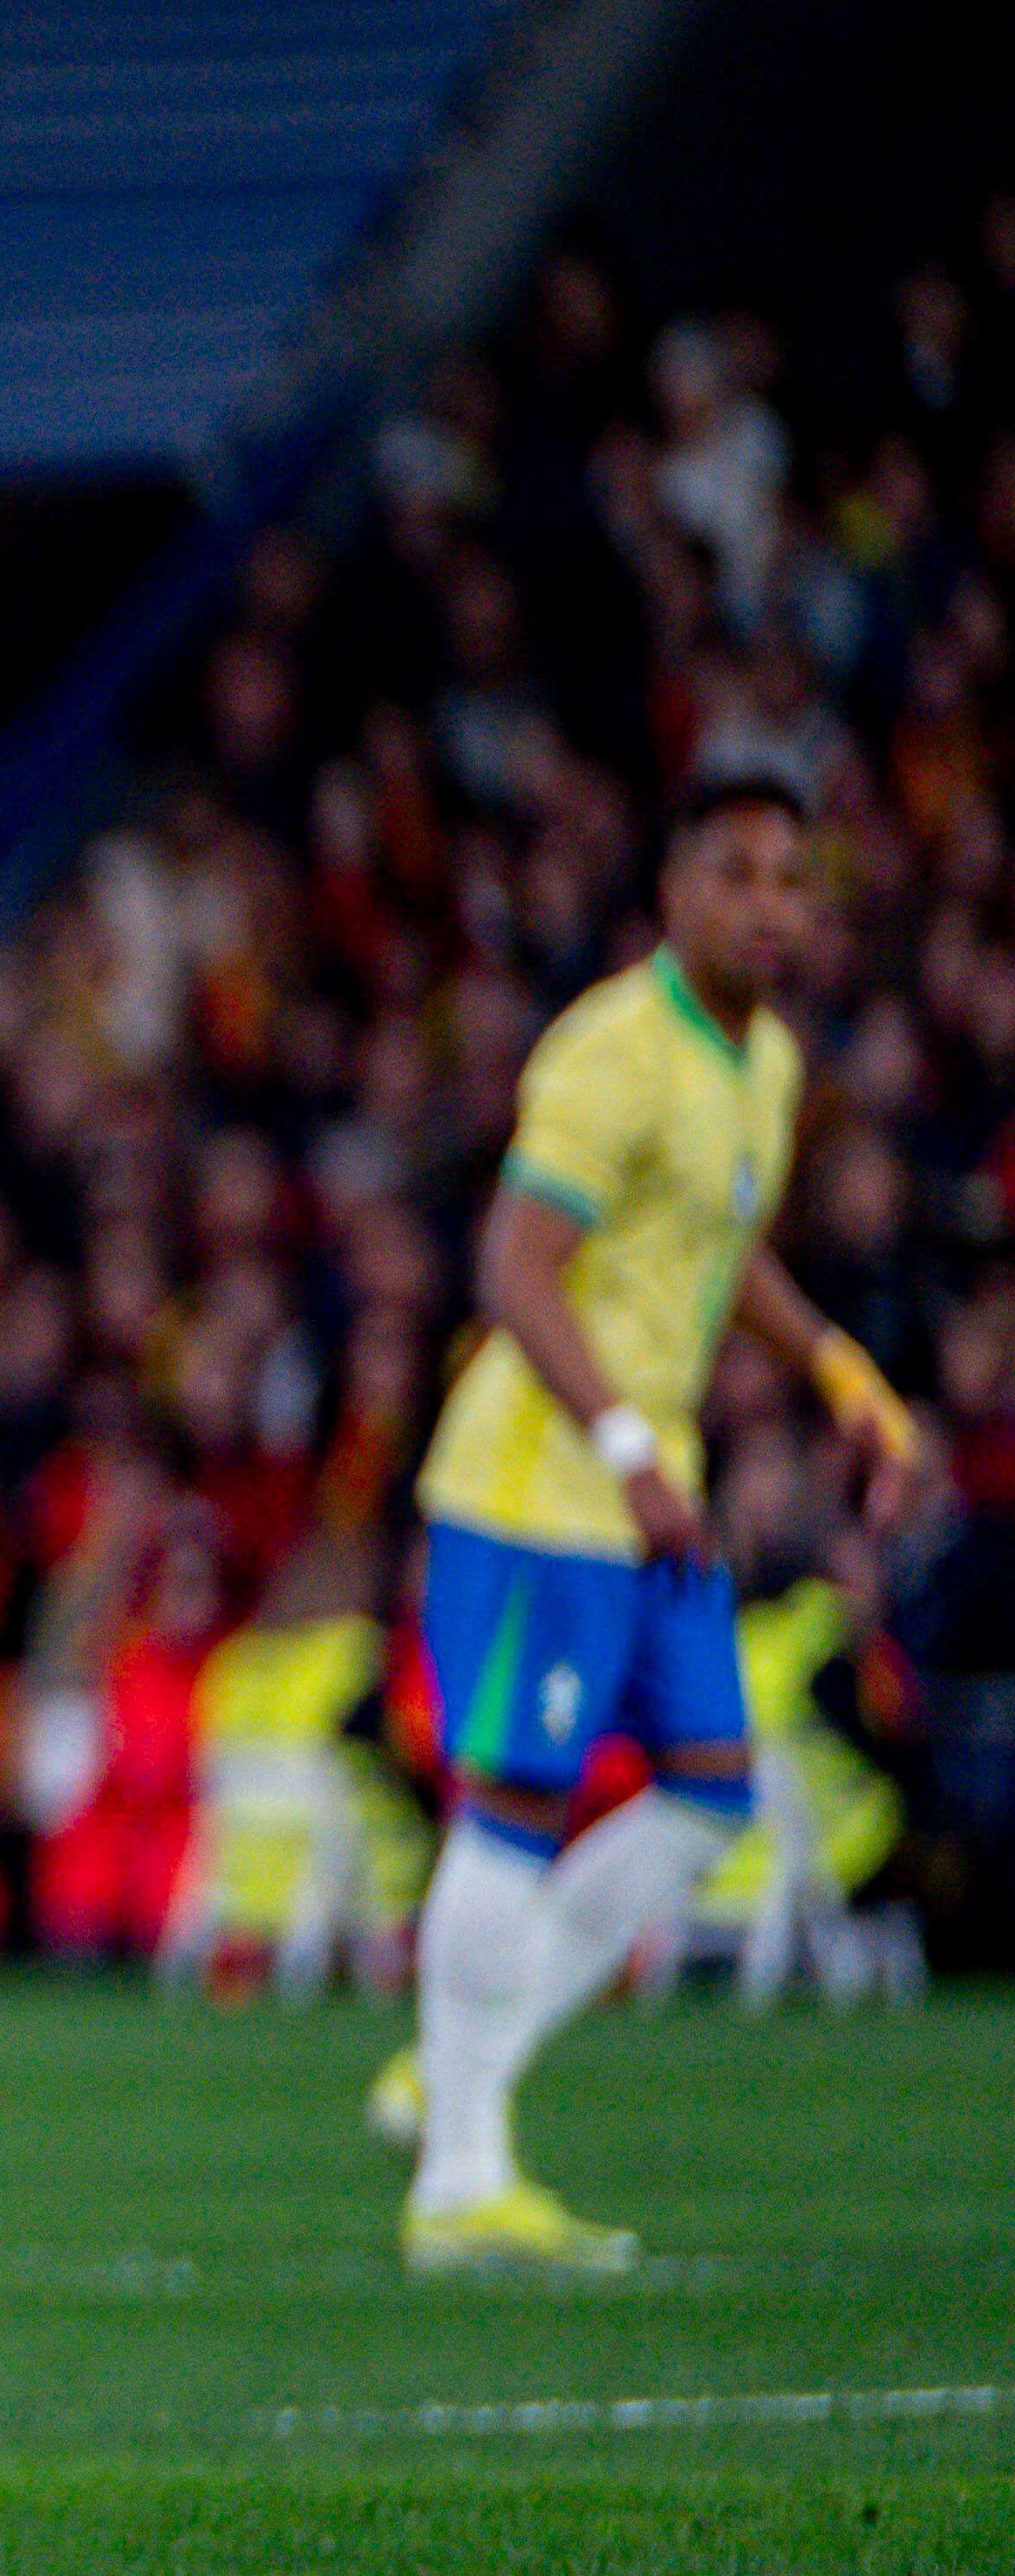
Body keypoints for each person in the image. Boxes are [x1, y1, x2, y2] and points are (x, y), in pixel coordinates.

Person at [380, 773, 928, 2273]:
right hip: (538, 1485)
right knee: (517, 1804)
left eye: (792, 878)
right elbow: (514, 1263)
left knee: (707, 1795)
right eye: (738, 871)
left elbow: (718, 1250)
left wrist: (834, 1368)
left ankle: (460, 2058)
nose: (770, 903)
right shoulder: (613, 1051)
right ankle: (461, 2179)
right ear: (676, 886)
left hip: (645, 1487)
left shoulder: (765, 1064)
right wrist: (625, 1441)